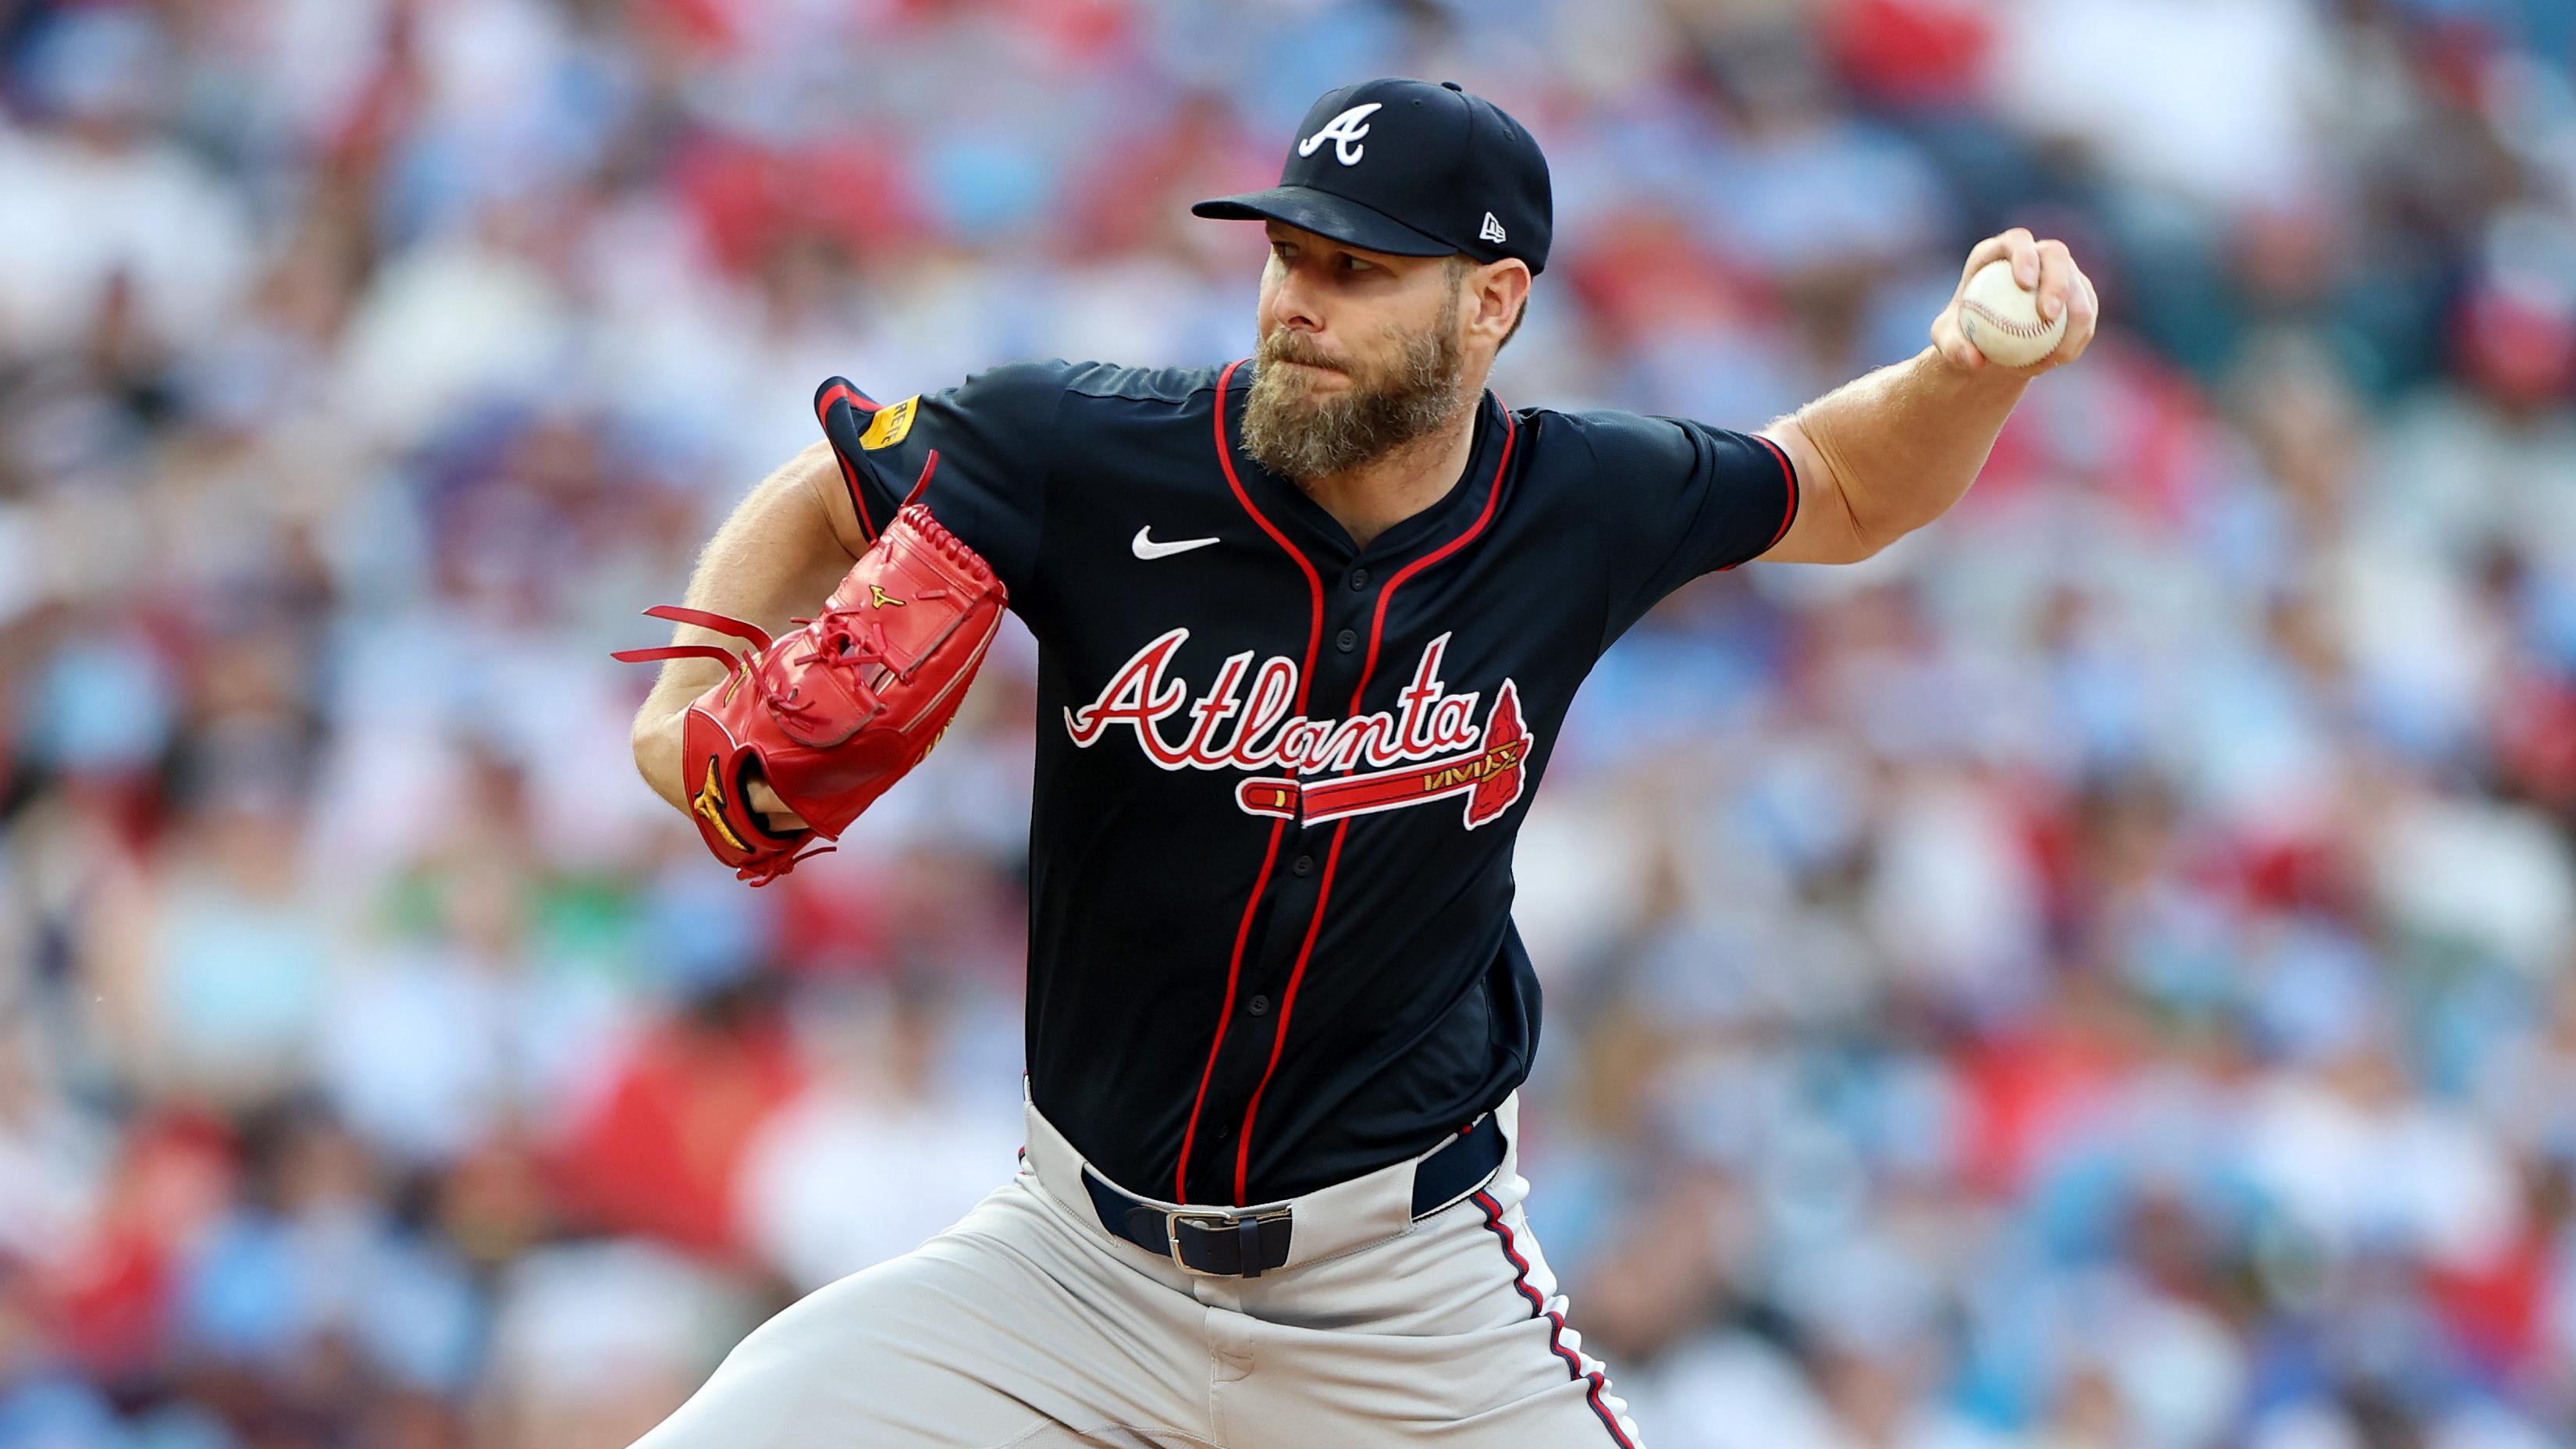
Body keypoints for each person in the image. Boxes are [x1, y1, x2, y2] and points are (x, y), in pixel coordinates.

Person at [623, 76, 2097, 1449]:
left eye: (1360, 271)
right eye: (1290, 256)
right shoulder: (1084, 450)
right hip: (1068, 1269)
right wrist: (686, 693)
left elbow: (1838, 482)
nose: (1300, 304)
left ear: (1492, 304)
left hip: (1404, 1301)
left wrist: (1966, 367)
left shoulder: (1576, 504)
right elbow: (833, 489)